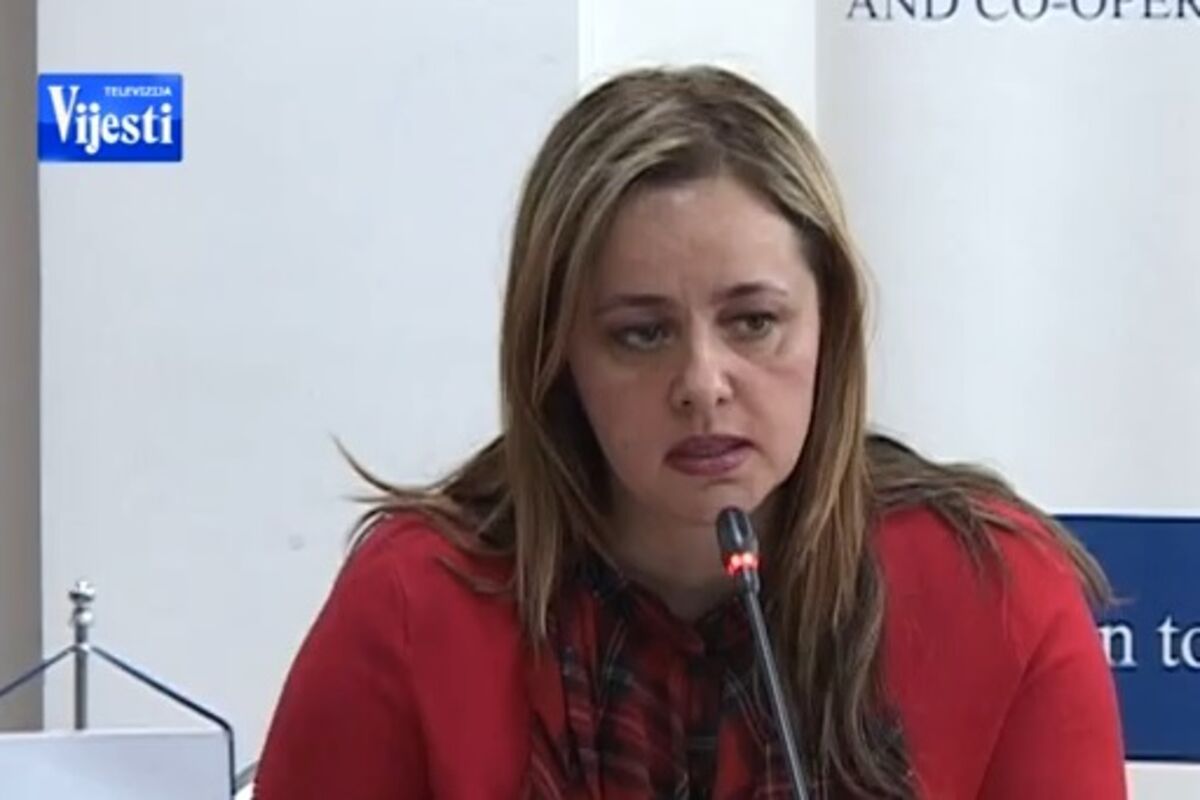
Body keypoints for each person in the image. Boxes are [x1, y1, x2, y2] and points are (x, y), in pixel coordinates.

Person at [253, 65, 1126, 799]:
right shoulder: (417, 604)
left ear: (830, 329)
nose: (703, 384)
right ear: (555, 355)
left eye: (753, 323)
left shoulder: (994, 592)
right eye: (641, 334)